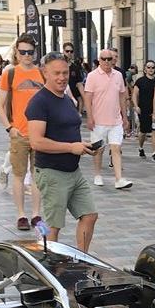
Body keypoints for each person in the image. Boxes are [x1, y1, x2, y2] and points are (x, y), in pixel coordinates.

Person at [26, 52, 97, 251]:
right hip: (52, 173)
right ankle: (45, 265)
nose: (62, 77)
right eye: (56, 73)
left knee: (90, 215)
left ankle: (82, 260)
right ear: (44, 73)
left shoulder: (65, 98)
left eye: (65, 72)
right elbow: (36, 142)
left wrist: (82, 145)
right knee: (52, 227)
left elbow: (65, 131)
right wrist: (70, 147)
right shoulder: (39, 102)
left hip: (73, 171)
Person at [0, 36, 45, 230]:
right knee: (18, 174)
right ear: (16, 52)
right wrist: (10, 127)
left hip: (40, 133)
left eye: (30, 52)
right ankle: (21, 215)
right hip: (19, 133)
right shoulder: (10, 73)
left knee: (38, 176)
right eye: (22, 52)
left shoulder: (42, 73)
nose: (26, 56)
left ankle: (36, 214)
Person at [83, 49, 133, 190]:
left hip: (115, 120)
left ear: (113, 60)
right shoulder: (92, 76)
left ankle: (119, 179)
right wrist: (90, 117)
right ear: (99, 60)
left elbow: (122, 96)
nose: (106, 62)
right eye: (103, 59)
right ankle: (98, 174)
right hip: (98, 120)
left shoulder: (118, 75)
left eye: (109, 59)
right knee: (99, 149)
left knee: (116, 148)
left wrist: (125, 117)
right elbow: (88, 97)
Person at [134, 61, 155, 160]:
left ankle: (154, 153)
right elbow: (135, 94)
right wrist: (136, 106)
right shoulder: (140, 81)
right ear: (145, 69)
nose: (150, 69)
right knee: (143, 131)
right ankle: (140, 147)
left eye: (152, 67)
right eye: (148, 67)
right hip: (143, 109)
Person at [62, 43, 86, 114]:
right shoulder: (58, 65)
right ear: (63, 51)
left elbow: (79, 85)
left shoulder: (75, 67)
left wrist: (86, 101)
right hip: (61, 99)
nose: (69, 53)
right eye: (67, 51)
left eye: (71, 51)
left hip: (73, 101)